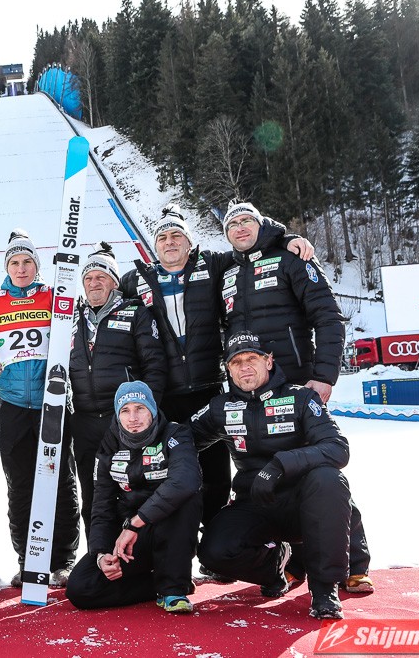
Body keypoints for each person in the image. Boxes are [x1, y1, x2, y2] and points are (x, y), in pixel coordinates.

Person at [119, 205, 315, 534]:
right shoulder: (134, 280)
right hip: (165, 394)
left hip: (207, 388)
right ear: (154, 246)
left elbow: (248, 246)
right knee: (165, 472)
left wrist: (286, 239)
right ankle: (171, 545)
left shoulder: (212, 265)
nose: (170, 242)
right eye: (163, 238)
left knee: (215, 474)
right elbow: (106, 300)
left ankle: (214, 537)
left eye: (177, 236)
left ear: (189, 242)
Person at [219, 201, 373, 592]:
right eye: (232, 224)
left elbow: (328, 317)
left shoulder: (291, 257)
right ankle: (298, 561)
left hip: (299, 383)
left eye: (247, 221)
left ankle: (353, 561)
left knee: (319, 472)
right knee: (269, 472)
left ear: (261, 225)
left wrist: (323, 376)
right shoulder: (228, 272)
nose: (240, 228)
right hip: (252, 386)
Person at [191, 332, 352, 619]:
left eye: (252, 358)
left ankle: (324, 589)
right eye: (236, 362)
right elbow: (182, 439)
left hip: (303, 504)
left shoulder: (301, 397)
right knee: (214, 552)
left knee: (329, 479)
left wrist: (280, 465)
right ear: (228, 369)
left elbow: (337, 448)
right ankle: (277, 565)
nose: (245, 367)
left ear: (269, 361)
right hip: (255, 502)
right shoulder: (220, 407)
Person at [0, 229, 79, 588]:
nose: (21, 268)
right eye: (14, 262)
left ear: (37, 266)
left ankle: (64, 560)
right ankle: (28, 559)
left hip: (52, 401)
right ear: (7, 267)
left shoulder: (53, 296)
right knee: (20, 485)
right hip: (13, 405)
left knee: (62, 479)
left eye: (27, 262)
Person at [65, 381, 202, 613]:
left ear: (152, 410)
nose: (133, 418)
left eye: (140, 408)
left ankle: (173, 588)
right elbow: (101, 505)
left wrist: (135, 523)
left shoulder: (175, 433)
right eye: (125, 411)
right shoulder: (109, 445)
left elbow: (185, 480)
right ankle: (157, 582)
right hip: (131, 540)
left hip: (168, 531)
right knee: (81, 588)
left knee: (185, 498)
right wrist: (101, 554)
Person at [68, 242, 166, 537]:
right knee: (92, 495)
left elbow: (155, 366)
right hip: (84, 419)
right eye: (88, 278)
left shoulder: (135, 312)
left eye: (101, 277)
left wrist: (146, 414)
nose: (94, 283)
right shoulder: (72, 318)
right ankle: (99, 553)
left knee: (132, 492)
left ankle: (140, 552)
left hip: (124, 420)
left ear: (114, 281)